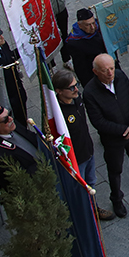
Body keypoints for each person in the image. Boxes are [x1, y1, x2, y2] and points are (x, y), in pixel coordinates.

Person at [83, 53, 129, 218]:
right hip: (113, 139)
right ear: (96, 72)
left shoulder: (119, 75)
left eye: (111, 68)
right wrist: (124, 130)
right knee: (115, 169)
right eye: (105, 70)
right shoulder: (89, 92)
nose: (110, 73)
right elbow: (98, 121)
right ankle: (117, 198)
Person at [52, 67, 114, 220]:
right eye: (71, 87)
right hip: (75, 158)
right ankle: (83, 215)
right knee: (78, 189)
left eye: (76, 84)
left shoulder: (77, 99)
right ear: (59, 91)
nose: (76, 89)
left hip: (87, 150)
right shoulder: (58, 115)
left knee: (91, 183)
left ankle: (93, 208)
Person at [0, 100, 38, 193]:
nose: (10, 119)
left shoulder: (12, 125)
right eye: (5, 119)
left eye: (9, 114)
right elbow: (18, 179)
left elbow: (32, 138)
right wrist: (45, 162)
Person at [66, 8, 109, 85]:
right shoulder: (75, 43)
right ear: (80, 25)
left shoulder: (100, 26)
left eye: (93, 23)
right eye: (88, 25)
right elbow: (81, 70)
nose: (92, 27)